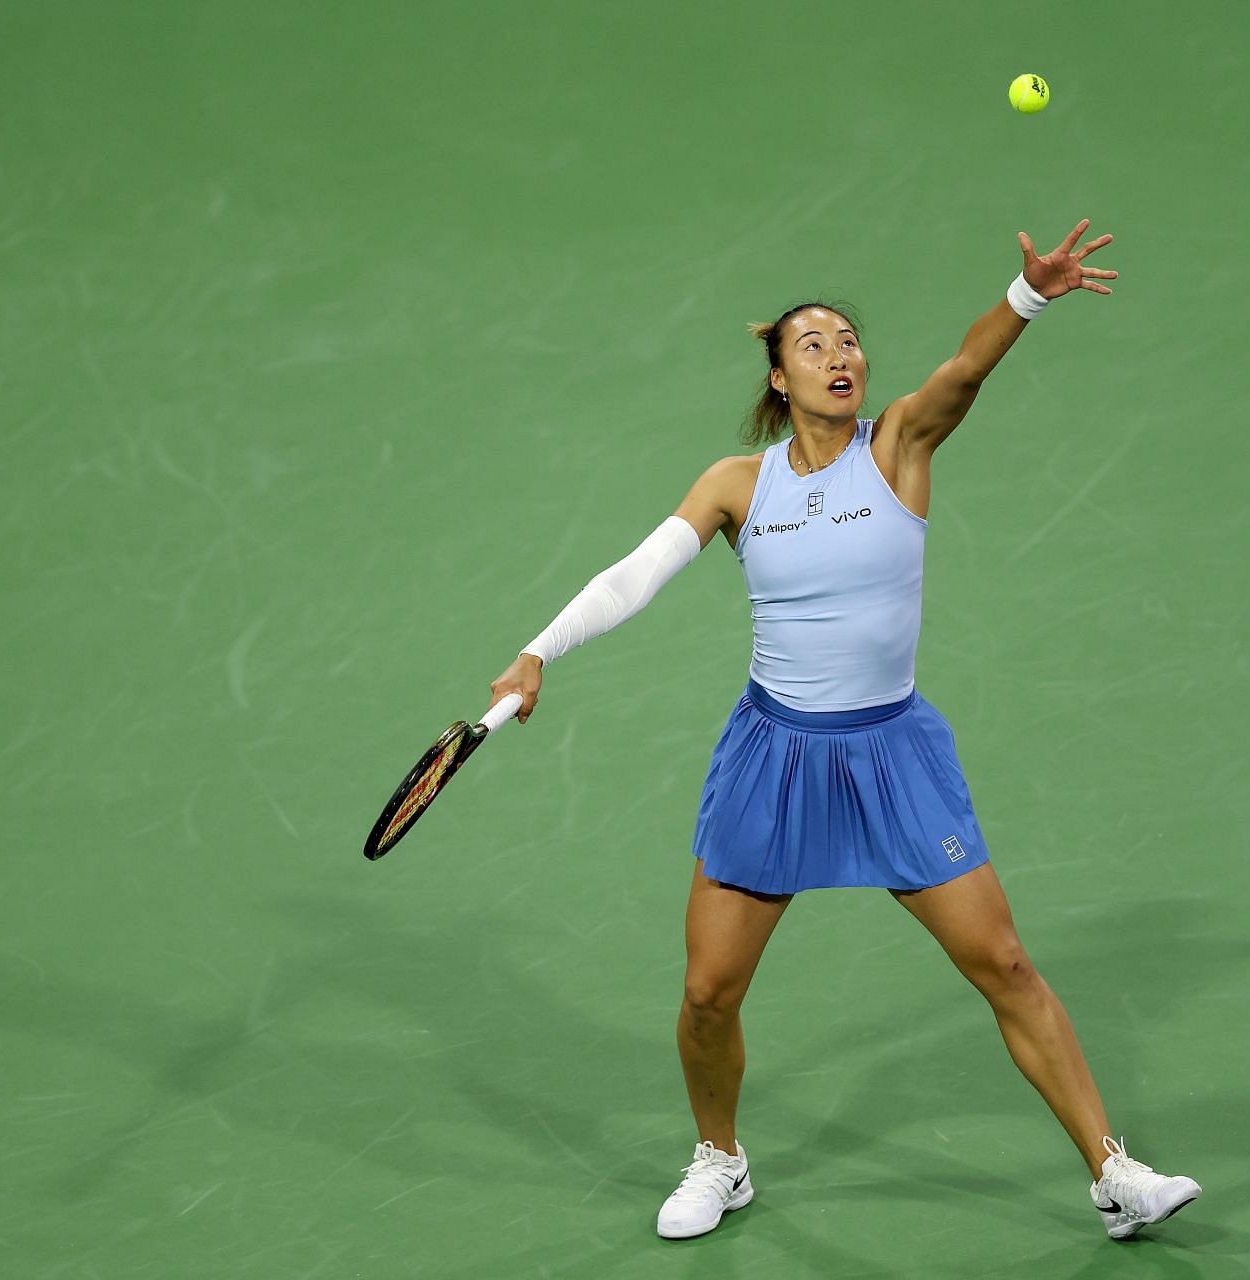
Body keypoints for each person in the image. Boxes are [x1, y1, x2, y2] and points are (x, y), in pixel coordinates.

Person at [488, 220, 1199, 1242]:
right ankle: (719, 1157)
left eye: (851, 341)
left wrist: (1029, 294)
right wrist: (539, 649)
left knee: (1002, 963)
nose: (840, 356)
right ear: (779, 377)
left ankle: (1112, 1169)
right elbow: (636, 572)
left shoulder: (900, 445)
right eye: (813, 344)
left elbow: (965, 368)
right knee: (706, 992)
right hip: (773, 758)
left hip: (893, 755)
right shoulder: (738, 484)